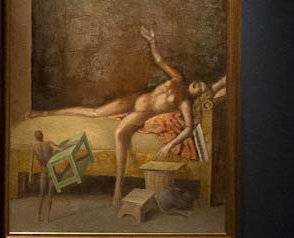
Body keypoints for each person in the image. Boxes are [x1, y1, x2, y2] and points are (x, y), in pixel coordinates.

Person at [28, 26, 210, 208]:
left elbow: (188, 128)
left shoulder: (184, 103)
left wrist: (169, 145)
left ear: (198, 96)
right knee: (95, 112)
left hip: (142, 113)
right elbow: (160, 60)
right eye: (200, 83)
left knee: (119, 134)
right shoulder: (178, 78)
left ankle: (118, 189)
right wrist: (152, 41)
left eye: (201, 89)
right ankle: (44, 113)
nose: (199, 85)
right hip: (135, 98)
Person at [31, 130, 59, 223]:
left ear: (36, 138)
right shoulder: (49, 143)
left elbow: (31, 163)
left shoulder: (34, 147)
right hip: (51, 171)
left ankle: (38, 216)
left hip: (43, 172)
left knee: (42, 194)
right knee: (50, 194)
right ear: (43, 136)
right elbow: (60, 149)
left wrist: (30, 175)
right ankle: (47, 217)